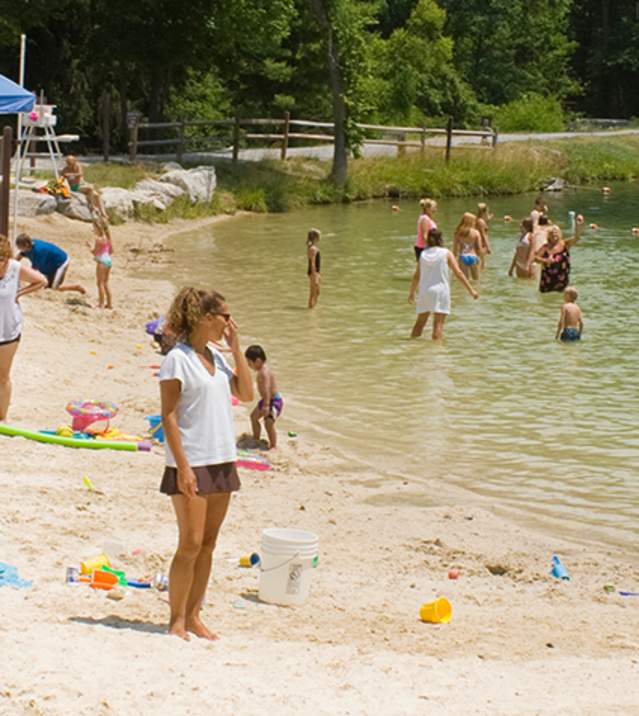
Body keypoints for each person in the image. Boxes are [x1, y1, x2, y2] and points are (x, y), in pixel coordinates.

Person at [159, 287, 253, 640]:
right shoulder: (176, 359)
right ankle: (176, 619)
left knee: (209, 544)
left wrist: (236, 346)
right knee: (190, 543)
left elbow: (246, 394)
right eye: (225, 316)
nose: (230, 322)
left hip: (222, 460)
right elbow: (168, 415)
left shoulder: (220, 358)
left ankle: (195, 615)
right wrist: (182, 466)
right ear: (205, 318)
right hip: (192, 461)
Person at [0, 234, 47, 420]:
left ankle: (2, 418)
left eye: (1, 260)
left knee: (3, 376)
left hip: (8, 331)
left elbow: (42, 281)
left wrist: (19, 293)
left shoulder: (15, 268)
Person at [408, 229, 479, 339]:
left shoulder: (423, 254)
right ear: (441, 239)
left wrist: (411, 293)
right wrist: (471, 290)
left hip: (425, 291)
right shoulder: (446, 253)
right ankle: (437, 352)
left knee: (420, 323)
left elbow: (417, 275)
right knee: (438, 324)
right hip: (440, 291)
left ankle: (411, 345)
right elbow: (458, 273)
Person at [16, 234, 86, 295]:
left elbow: (35, 271)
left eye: (19, 247)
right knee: (47, 285)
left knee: (54, 287)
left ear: (26, 245)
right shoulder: (29, 247)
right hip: (51, 263)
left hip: (61, 262)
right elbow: (19, 256)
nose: (19, 249)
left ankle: (77, 287)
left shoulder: (38, 251)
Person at [245, 344, 282, 449]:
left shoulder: (264, 372)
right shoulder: (262, 371)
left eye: (249, 363)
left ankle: (273, 446)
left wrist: (266, 406)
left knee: (268, 424)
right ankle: (256, 439)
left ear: (257, 361)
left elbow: (266, 389)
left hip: (273, 401)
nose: (249, 365)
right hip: (266, 400)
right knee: (253, 417)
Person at [534, 218, 583, 293]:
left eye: (556, 232)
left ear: (560, 234)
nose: (554, 234)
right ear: (548, 236)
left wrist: (578, 226)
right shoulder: (545, 247)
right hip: (547, 280)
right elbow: (535, 258)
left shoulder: (564, 244)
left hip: (562, 280)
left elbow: (577, 238)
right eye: (552, 233)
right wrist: (545, 260)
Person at [61, 155, 107, 220]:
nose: (69, 164)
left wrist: (71, 174)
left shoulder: (77, 166)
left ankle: (103, 213)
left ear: (74, 161)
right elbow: (63, 176)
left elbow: (80, 174)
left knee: (97, 195)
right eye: (68, 163)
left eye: (70, 163)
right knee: (90, 188)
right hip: (75, 187)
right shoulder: (65, 169)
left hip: (82, 185)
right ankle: (92, 206)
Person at [87, 219, 113, 309]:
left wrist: (89, 247)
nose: (93, 229)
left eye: (94, 227)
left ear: (98, 228)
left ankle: (101, 304)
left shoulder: (98, 239)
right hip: (108, 260)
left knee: (100, 283)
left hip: (102, 261)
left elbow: (95, 252)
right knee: (106, 283)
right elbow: (111, 251)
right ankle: (109, 304)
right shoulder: (108, 238)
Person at [453, 212, 482, 281]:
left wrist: (453, 262)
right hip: (473, 256)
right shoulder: (476, 232)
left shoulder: (458, 232)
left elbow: (455, 250)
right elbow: (479, 249)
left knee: (465, 281)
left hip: (463, 257)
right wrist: (480, 260)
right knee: (476, 280)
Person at [307, 228, 321, 309]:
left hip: (316, 271)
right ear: (315, 237)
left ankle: (312, 309)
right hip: (313, 272)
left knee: (317, 292)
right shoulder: (312, 248)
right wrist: (315, 276)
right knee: (313, 293)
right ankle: (310, 309)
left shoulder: (312, 246)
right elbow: (312, 263)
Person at [476, 203, 492, 269]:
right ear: (485, 211)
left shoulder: (478, 220)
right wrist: (488, 247)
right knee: (481, 264)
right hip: (481, 244)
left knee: (481, 263)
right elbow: (483, 234)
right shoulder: (481, 222)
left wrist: (487, 220)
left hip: (479, 244)